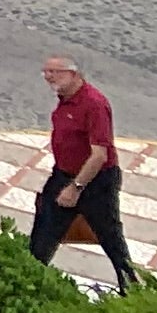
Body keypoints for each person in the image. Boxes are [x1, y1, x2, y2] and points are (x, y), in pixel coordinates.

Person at [31, 53, 136, 290]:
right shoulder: (65, 99)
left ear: (73, 74)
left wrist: (76, 188)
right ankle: (29, 284)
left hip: (95, 181)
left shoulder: (94, 104)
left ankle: (131, 289)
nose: (48, 77)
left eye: (54, 72)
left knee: (110, 237)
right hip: (63, 174)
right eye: (45, 72)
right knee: (43, 234)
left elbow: (99, 155)